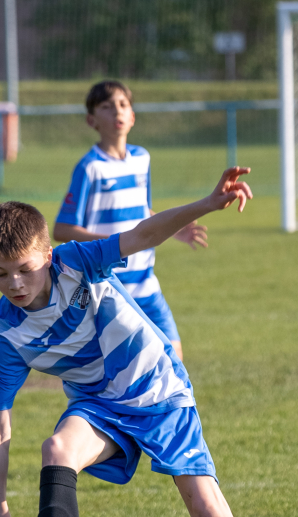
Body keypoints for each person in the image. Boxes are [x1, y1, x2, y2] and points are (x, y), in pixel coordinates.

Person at [0, 168, 298, 517]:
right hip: (98, 405)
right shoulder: (7, 333)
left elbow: (143, 234)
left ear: (47, 255)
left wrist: (206, 203)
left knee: (207, 512)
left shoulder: (76, 263)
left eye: (24, 269)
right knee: (58, 448)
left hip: (159, 392)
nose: (14, 284)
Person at [53, 80, 207, 360]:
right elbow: (62, 229)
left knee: (173, 358)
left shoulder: (142, 159)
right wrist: (116, 244)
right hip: (109, 288)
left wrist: (174, 230)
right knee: (121, 370)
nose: (117, 111)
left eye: (123, 105)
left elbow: (143, 211)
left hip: (147, 284)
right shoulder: (90, 168)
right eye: (106, 106)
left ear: (133, 116)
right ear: (91, 120)